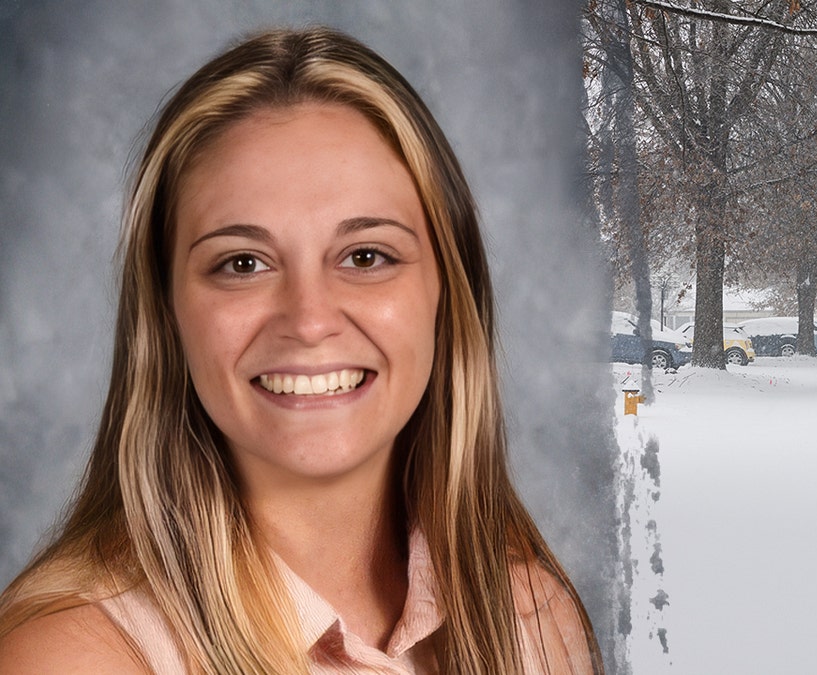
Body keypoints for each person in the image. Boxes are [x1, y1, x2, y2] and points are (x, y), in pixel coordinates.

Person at [0, 27, 602, 674]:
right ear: (166, 314)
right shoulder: (71, 654)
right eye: (243, 262)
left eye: (366, 256)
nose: (309, 320)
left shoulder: (532, 620)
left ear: (447, 293)